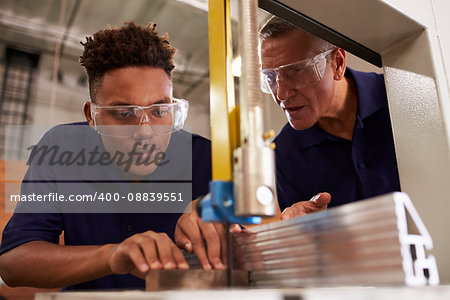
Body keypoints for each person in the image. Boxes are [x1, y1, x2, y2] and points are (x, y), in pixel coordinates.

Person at [0, 21, 212, 290]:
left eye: (160, 112)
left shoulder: (207, 159)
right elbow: (13, 263)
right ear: (92, 116)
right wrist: (111, 256)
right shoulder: (61, 148)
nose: (145, 133)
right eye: (124, 114)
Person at [258, 16, 401, 219]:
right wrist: (293, 232)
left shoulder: (401, 101)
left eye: (296, 71)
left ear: (338, 63)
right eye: (270, 77)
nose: (281, 94)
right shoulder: (284, 153)